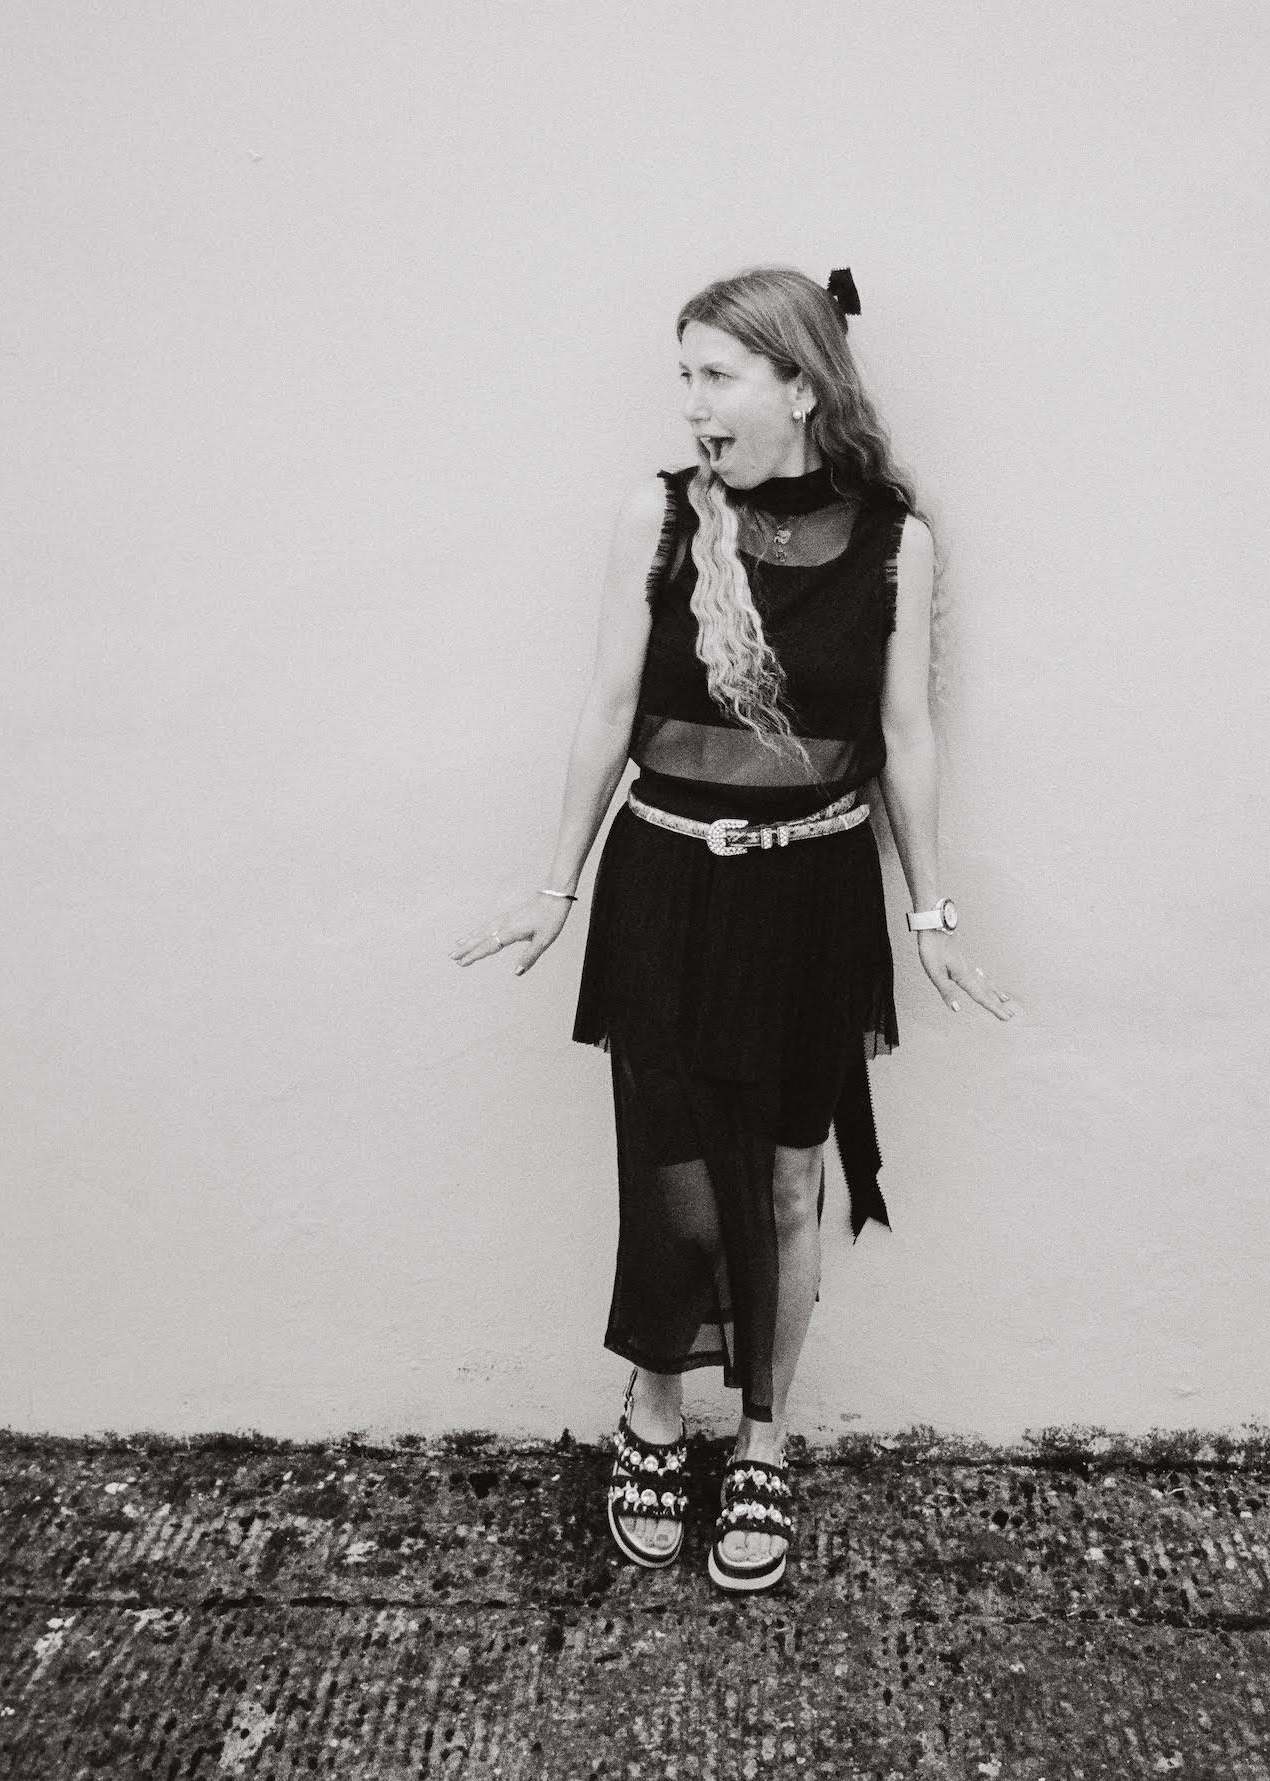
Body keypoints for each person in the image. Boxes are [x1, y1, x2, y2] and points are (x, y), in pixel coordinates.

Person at [453, 265, 1013, 1593]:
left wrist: (932, 910)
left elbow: (904, 737)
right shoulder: (655, 519)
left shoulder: (895, 539)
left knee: (784, 1179)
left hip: (813, 896)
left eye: (718, 375)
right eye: (685, 377)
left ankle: (763, 1436)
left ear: (800, 385)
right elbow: (608, 712)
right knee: (673, 1168)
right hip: (666, 887)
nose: (693, 404)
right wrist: (556, 886)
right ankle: (653, 1413)